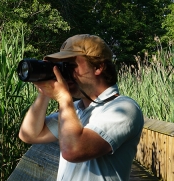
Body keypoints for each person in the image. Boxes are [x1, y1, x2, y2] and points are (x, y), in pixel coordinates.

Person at [18, 34, 144, 181]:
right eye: (60, 67)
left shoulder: (124, 108)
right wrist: (44, 92)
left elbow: (73, 150)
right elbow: (29, 134)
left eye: (69, 66)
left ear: (98, 67)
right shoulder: (77, 109)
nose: (63, 73)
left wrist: (63, 99)